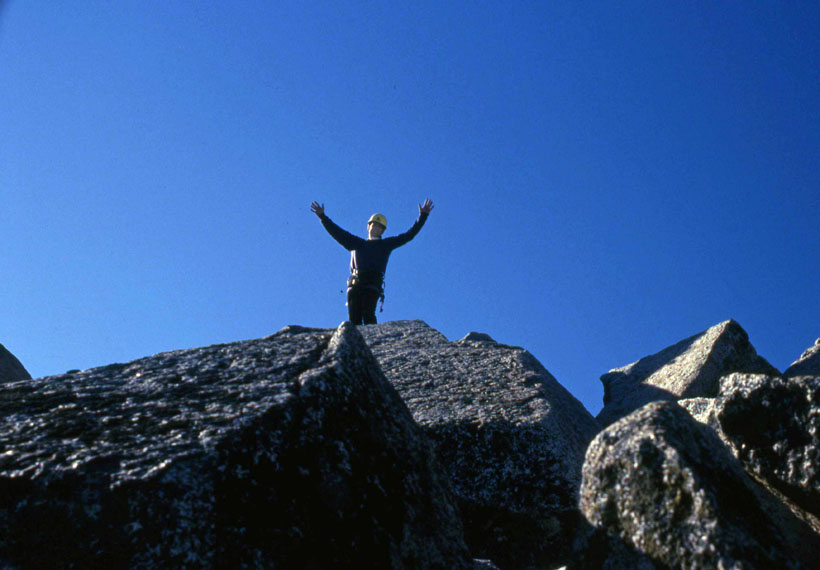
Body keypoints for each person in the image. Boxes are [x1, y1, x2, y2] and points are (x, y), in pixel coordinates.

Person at [310, 199, 434, 325]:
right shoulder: (357, 244)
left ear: (383, 231)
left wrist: (423, 216)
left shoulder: (385, 245)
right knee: (354, 318)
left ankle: (374, 343)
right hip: (355, 284)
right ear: (368, 226)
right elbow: (338, 233)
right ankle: (355, 343)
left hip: (372, 284)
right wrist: (322, 217)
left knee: (368, 314)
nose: (376, 228)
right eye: (374, 225)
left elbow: (408, 235)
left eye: (380, 227)